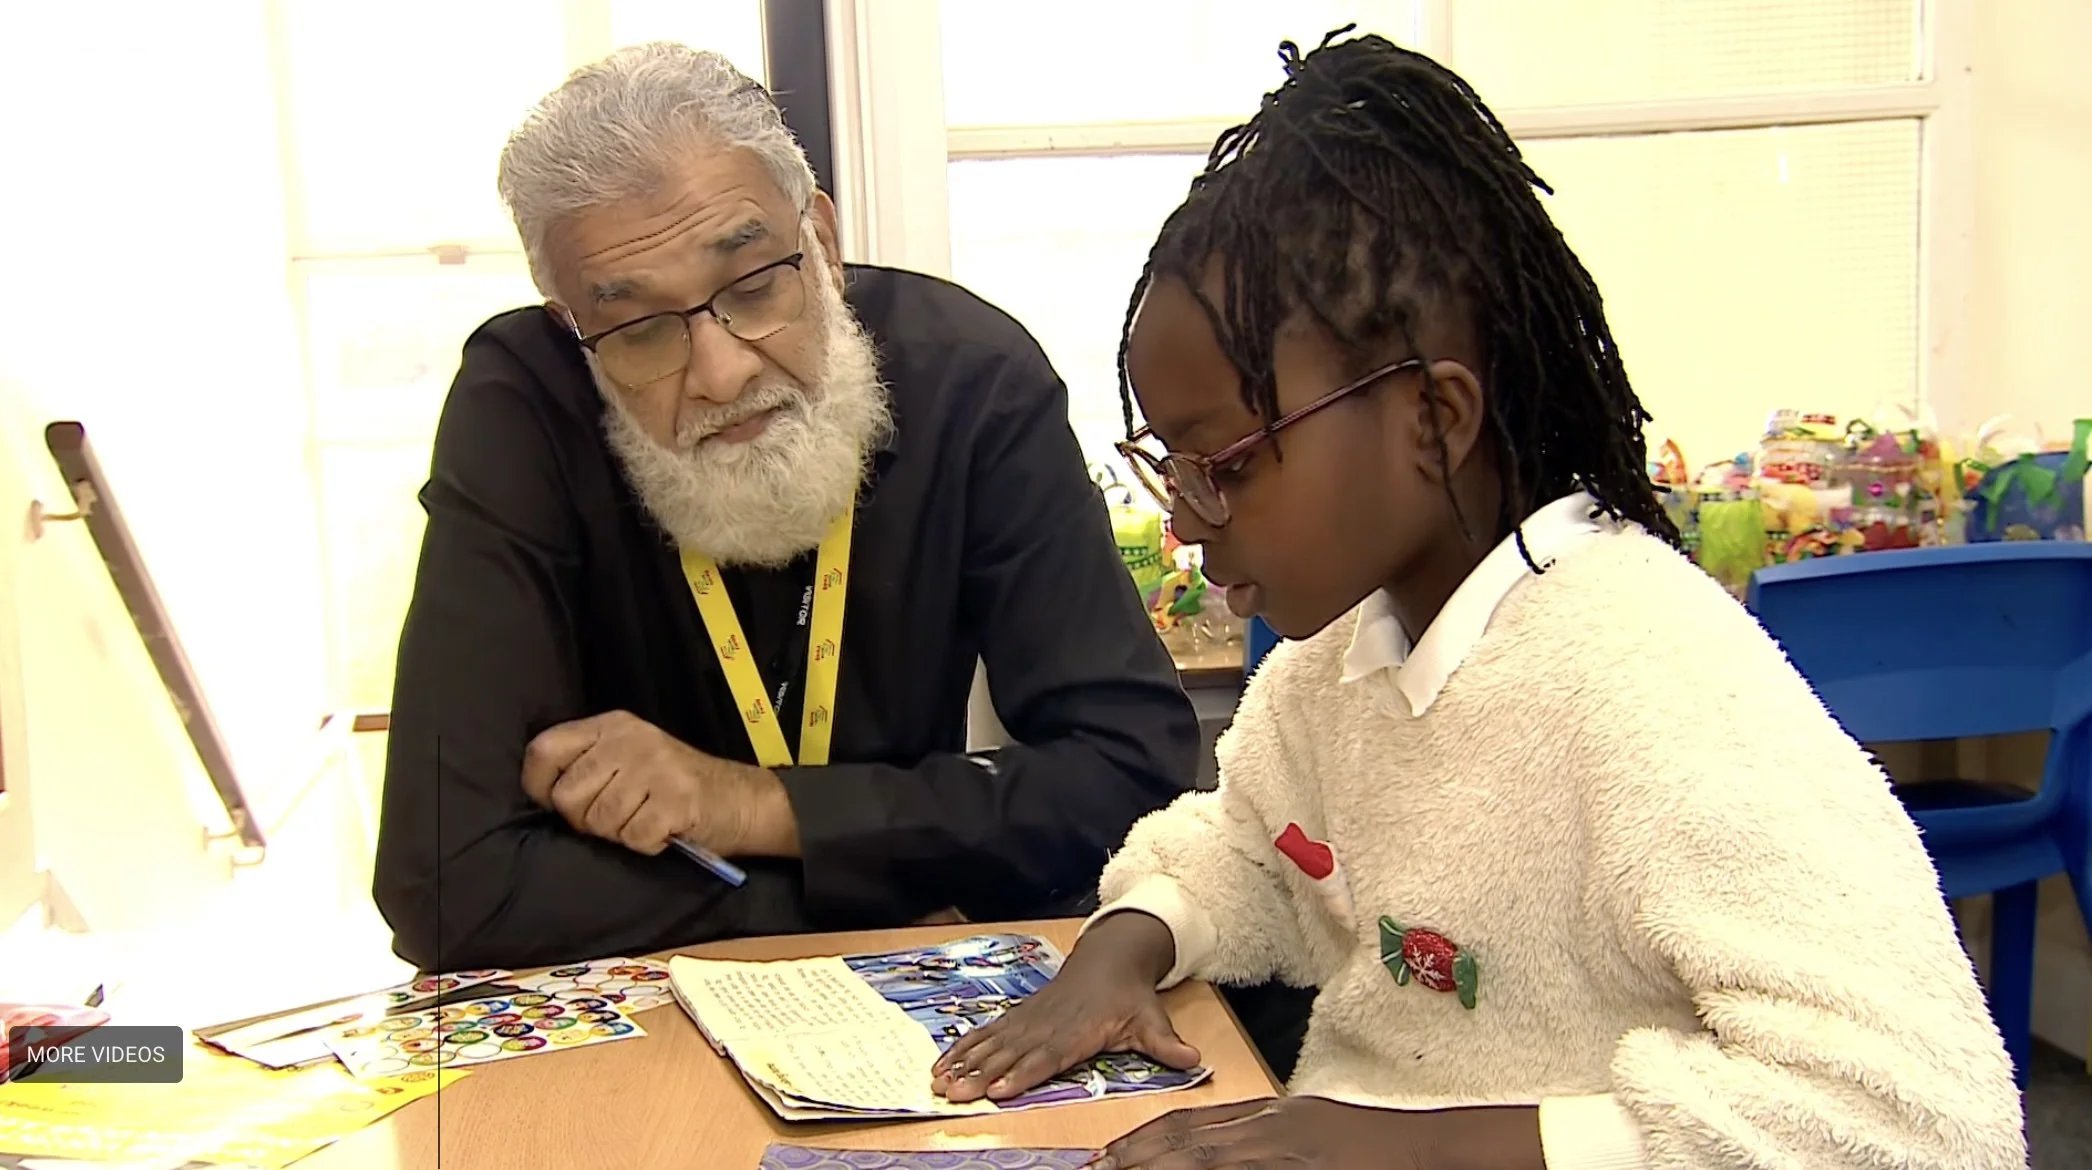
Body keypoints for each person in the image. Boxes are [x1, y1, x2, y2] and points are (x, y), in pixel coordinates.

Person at [929, 30, 2026, 1170]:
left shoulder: (1659, 688)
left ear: (1432, 420)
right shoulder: (1335, 668)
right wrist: (1124, 945)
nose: (1189, 520)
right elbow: (1253, 845)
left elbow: (1922, 1124)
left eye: (1228, 461)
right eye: (1169, 465)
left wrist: (1394, 1148)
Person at [370, 43, 1199, 972]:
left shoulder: (971, 379)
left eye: (756, 284)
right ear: (574, 329)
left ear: (823, 244)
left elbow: (1132, 775)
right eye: (639, 328)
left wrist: (749, 806)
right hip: (674, 1013)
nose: (721, 371)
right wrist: (853, 895)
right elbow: (444, 881)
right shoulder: (524, 403)